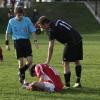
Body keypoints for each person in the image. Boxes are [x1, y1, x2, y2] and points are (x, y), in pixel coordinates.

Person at [37, 16, 83, 88]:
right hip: (78, 38)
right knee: (77, 60)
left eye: (42, 26)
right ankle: (78, 82)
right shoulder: (57, 21)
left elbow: (51, 47)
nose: (42, 28)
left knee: (65, 63)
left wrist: (47, 61)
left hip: (71, 42)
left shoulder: (51, 30)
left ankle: (67, 85)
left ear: (46, 24)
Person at [5, 7, 38, 85]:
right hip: (17, 42)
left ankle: (21, 72)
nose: (20, 17)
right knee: (21, 62)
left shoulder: (27, 20)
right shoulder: (11, 21)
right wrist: (7, 44)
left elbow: (33, 31)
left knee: (30, 61)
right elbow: (8, 33)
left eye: (21, 15)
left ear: (23, 14)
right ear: (15, 14)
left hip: (26, 41)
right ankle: (22, 81)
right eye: (18, 15)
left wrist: (35, 41)